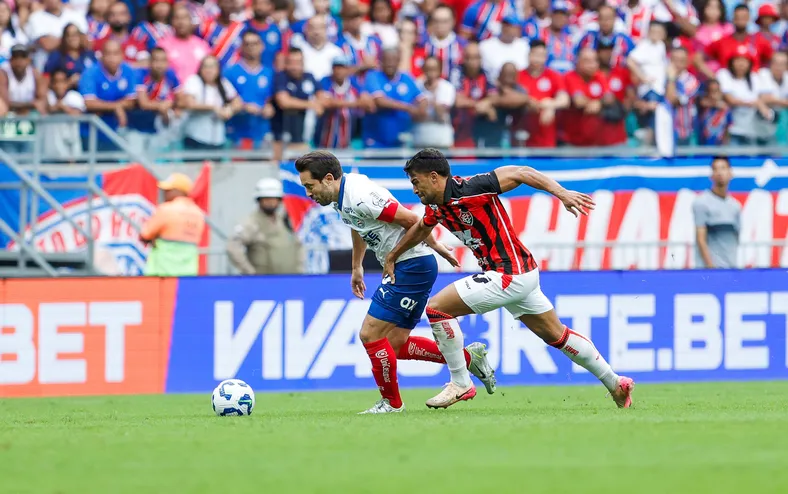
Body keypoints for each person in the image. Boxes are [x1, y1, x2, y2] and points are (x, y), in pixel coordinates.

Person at [383, 148, 635, 409]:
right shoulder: (436, 206)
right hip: (521, 274)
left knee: (437, 309)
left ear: (434, 177)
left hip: (508, 273)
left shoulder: (473, 187)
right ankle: (616, 384)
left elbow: (522, 172)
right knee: (558, 336)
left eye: (416, 182)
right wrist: (393, 255)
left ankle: (460, 383)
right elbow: (421, 228)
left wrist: (562, 194)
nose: (414, 190)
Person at [295, 150, 496, 413]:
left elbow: (414, 220)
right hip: (408, 264)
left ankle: (391, 404)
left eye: (310, 186)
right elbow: (358, 226)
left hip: (411, 264)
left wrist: (429, 247)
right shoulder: (341, 197)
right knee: (396, 345)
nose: (309, 194)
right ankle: (469, 359)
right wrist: (356, 266)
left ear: (329, 178)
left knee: (370, 334)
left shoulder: (360, 196)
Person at [226, 177, 304, 274]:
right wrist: (249, 272)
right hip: (262, 283)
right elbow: (233, 246)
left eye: (274, 199)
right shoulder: (251, 222)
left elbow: (298, 246)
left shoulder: (286, 221)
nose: (270, 202)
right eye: (266, 199)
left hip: (290, 280)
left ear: (279, 200)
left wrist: (299, 270)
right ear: (259, 200)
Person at [140, 173, 206, 277]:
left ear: (179, 191)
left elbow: (145, 234)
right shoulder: (198, 213)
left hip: (162, 273)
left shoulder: (166, 209)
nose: (165, 194)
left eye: (168, 190)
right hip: (188, 271)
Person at [692, 156, 741, 269]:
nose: (719, 173)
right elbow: (701, 238)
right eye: (716, 169)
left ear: (731, 173)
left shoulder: (735, 206)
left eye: (723, 168)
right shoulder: (701, 203)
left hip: (731, 269)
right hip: (709, 270)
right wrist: (711, 268)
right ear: (711, 175)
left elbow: (736, 237)